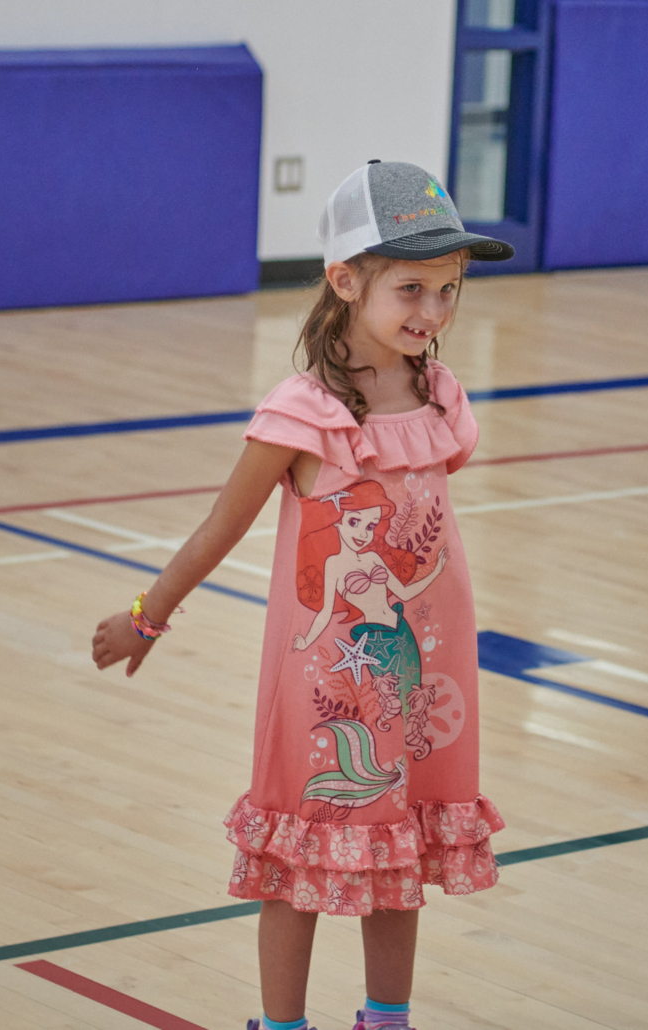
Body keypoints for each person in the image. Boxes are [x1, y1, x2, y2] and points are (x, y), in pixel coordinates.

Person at [92, 161, 514, 1030]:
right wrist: (146, 617)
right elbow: (222, 525)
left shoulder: (439, 395)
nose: (433, 312)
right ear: (345, 281)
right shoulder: (303, 412)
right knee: (300, 855)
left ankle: (386, 1019)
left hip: (424, 672)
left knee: (401, 850)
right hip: (328, 681)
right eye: (410, 288)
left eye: (448, 289)